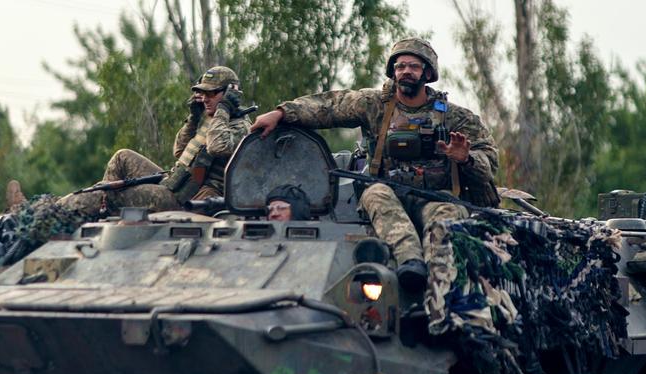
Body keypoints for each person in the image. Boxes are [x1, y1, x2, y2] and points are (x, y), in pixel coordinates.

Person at [250, 37, 499, 290]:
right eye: (400, 66)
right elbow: (328, 106)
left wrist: (466, 159)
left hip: (436, 197)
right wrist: (281, 113)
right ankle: (410, 263)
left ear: (427, 72)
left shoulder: (455, 117)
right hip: (388, 193)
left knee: (447, 217)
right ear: (393, 71)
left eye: (413, 66)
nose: (406, 72)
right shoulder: (374, 105)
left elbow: (488, 163)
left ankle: (443, 294)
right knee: (375, 194)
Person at [58, 66, 252, 217]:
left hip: (189, 200)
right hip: (174, 184)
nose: (205, 98)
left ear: (230, 94)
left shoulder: (239, 126)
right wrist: (194, 118)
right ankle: (100, 210)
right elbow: (179, 151)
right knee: (122, 157)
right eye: (203, 93)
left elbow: (218, 147)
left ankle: (60, 211)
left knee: (111, 194)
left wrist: (224, 108)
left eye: (212, 93)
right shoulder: (212, 118)